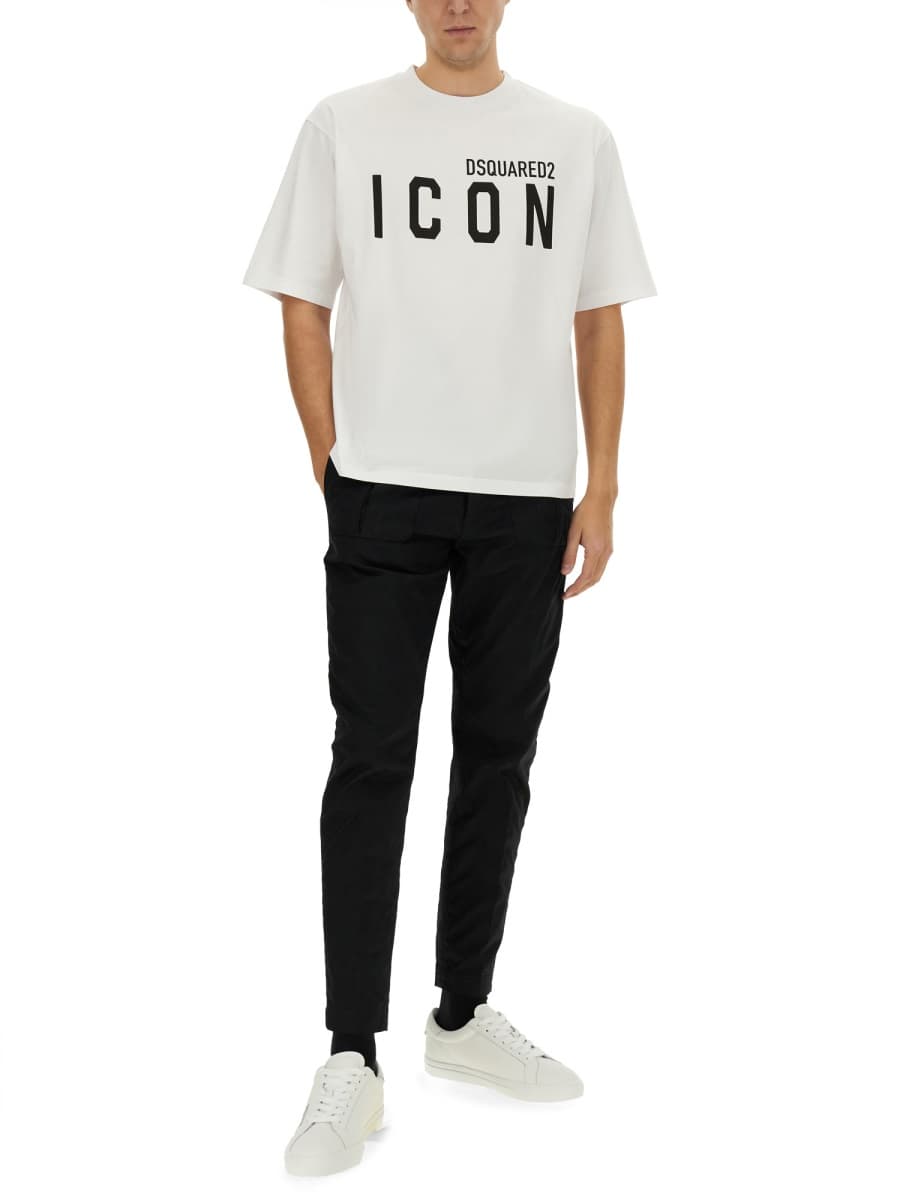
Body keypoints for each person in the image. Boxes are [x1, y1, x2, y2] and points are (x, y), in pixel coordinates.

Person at [242, 0, 656, 1177]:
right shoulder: (345, 124)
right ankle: (351, 1056)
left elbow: (597, 318)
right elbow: (303, 296)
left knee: (498, 757)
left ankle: (463, 1015)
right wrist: (332, 462)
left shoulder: (574, 137)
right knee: (371, 759)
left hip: (526, 496)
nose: (457, 6)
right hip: (383, 488)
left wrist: (602, 485)